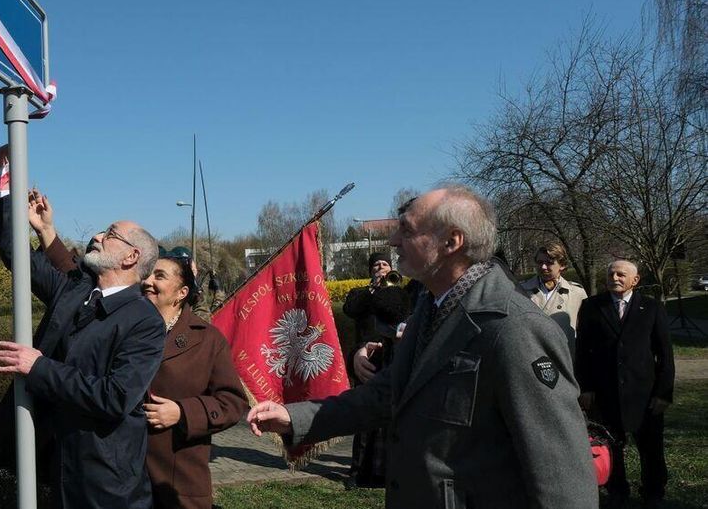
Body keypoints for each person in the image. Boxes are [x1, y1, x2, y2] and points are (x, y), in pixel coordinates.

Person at [247, 185, 596, 509]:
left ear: (451, 242)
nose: (395, 241)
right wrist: (294, 416)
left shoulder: (513, 327)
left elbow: (561, 472)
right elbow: (388, 394)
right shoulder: (431, 308)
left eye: (408, 231)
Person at [0, 147, 166, 509]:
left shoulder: (144, 321)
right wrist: (4, 188)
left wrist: (38, 366)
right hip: (59, 469)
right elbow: (18, 257)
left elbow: (115, 397)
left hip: (107, 486)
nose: (98, 235)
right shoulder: (75, 292)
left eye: (111, 233)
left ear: (131, 256)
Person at [29, 190, 249, 509]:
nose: (148, 281)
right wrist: (47, 232)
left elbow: (232, 402)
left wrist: (183, 412)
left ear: (182, 292)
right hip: (113, 475)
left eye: (160, 276)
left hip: (172, 479)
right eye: (149, 273)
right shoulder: (121, 318)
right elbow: (73, 277)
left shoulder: (207, 339)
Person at [576, 259, 675, 508]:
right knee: (611, 447)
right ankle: (617, 491)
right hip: (604, 393)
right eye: (611, 274)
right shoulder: (591, 307)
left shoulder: (651, 308)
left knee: (651, 449)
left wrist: (663, 394)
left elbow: (665, 353)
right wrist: (585, 387)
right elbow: (583, 351)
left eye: (621, 274)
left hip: (645, 395)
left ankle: (653, 492)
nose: (615, 278)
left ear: (635, 280)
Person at [340, 251, 411, 487]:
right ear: (370, 270)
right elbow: (351, 309)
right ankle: (357, 471)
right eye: (376, 265)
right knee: (364, 415)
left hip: (391, 356)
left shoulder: (398, 291)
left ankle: (385, 470)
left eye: (385, 264)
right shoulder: (362, 293)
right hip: (366, 358)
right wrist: (373, 288)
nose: (381, 267)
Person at [517, 241, 588, 353]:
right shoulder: (520, 290)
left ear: (562, 265)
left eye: (549, 262)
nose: (543, 267)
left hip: (565, 356)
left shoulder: (577, 293)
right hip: (531, 354)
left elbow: (586, 331)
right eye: (540, 262)